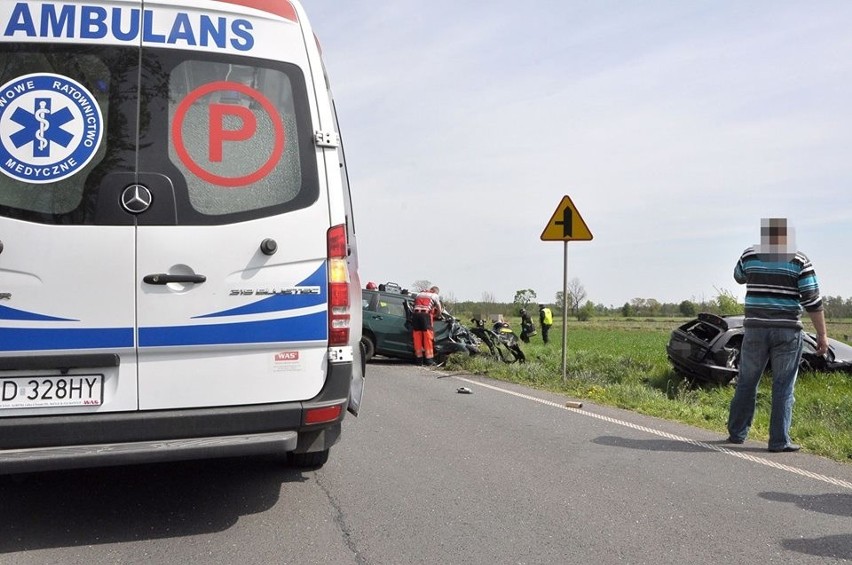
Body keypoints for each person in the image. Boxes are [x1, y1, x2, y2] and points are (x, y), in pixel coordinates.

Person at [727, 218, 828, 453]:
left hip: (754, 329)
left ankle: (737, 433)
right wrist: (822, 334)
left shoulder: (749, 255)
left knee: (747, 381)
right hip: (787, 331)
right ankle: (778, 441)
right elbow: (812, 300)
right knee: (783, 386)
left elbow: (738, 277)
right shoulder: (800, 260)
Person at [411, 286, 442, 366]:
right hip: (425, 316)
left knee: (417, 337)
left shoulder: (419, 294)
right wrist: (438, 315)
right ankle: (429, 361)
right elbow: (439, 308)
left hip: (416, 316)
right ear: (435, 291)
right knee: (427, 337)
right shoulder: (434, 295)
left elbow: (413, 305)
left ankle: (419, 360)